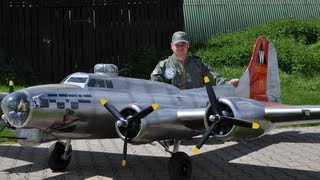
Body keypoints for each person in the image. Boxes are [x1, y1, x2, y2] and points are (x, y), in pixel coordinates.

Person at [150, 31, 239, 89]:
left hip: (196, 102)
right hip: (173, 105)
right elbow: (155, 85)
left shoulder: (198, 64)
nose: (180, 47)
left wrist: (228, 82)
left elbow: (214, 78)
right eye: (177, 45)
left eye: (183, 44)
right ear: (172, 46)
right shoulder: (163, 65)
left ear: (188, 46)